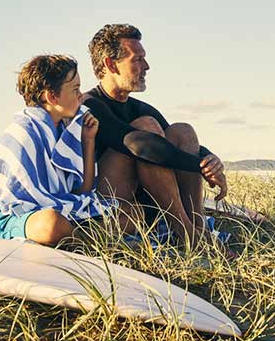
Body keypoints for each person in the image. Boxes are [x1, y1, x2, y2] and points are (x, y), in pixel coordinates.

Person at [82, 24, 229, 251]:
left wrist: (211, 161)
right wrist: (199, 166)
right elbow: (142, 146)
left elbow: (180, 147)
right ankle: (185, 231)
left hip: (145, 203)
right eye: (137, 60)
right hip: (110, 207)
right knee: (146, 131)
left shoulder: (141, 108)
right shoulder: (89, 104)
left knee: (183, 131)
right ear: (110, 64)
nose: (146, 66)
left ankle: (198, 226)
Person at [0, 54, 114, 245]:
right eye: (75, 89)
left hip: (63, 211)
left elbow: (84, 191)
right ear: (51, 96)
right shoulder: (21, 133)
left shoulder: (66, 132)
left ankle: (82, 238)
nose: (81, 96)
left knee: (130, 214)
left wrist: (88, 141)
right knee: (51, 225)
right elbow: (18, 205)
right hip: (18, 218)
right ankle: (91, 240)